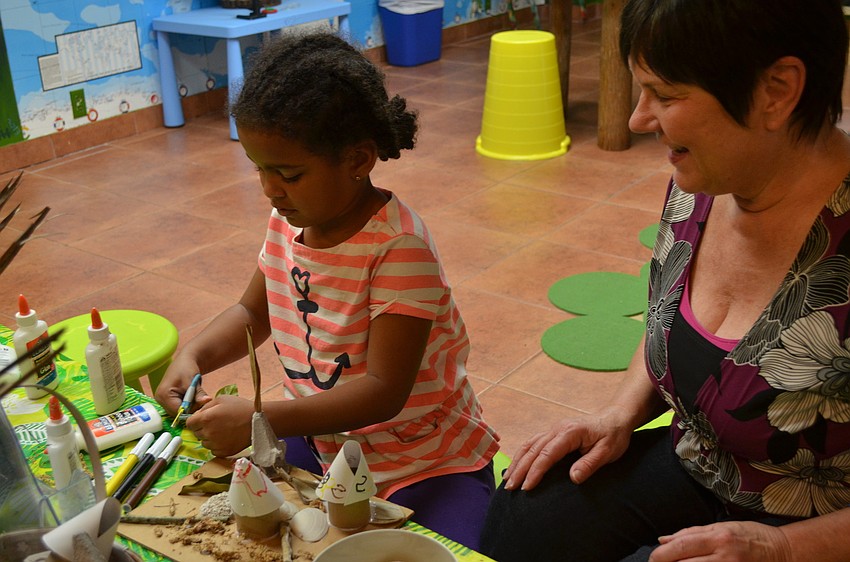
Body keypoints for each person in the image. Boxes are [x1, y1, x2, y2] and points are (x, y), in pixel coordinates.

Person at [480, 1, 850, 560]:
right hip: (705, 465)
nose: (638, 118)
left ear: (777, 89)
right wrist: (618, 414)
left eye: (666, 94)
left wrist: (782, 549)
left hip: (819, 528)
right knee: (526, 513)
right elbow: (669, 322)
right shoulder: (702, 179)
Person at [154, 32, 499, 549]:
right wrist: (194, 356)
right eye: (260, 170)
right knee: (245, 526)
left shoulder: (399, 248)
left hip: (421, 460)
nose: (270, 189)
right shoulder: (287, 221)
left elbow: (384, 391)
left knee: (450, 550)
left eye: (288, 173)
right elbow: (254, 312)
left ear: (358, 159)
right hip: (320, 443)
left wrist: (259, 416)